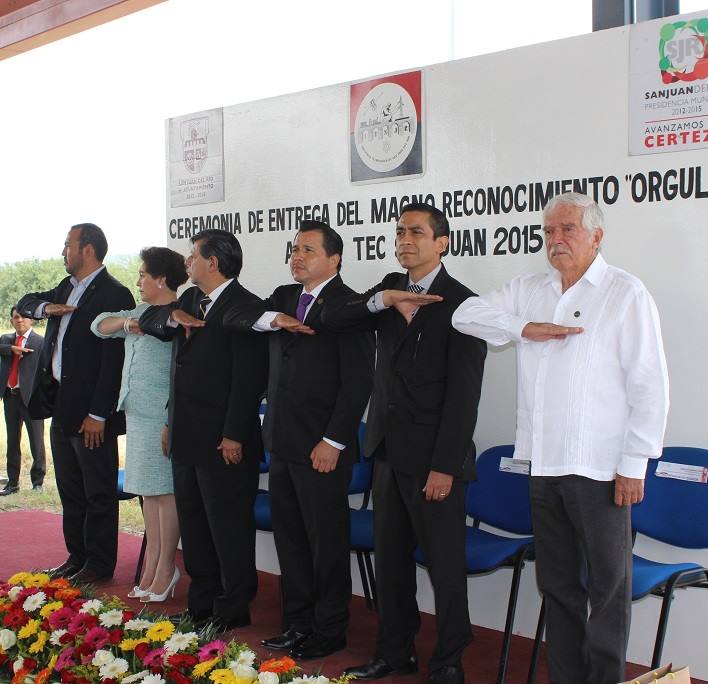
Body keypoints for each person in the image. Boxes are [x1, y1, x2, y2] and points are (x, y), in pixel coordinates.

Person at [452, 192, 669, 684]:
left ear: (597, 235)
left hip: (601, 470)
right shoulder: (530, 289)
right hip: (543, 465)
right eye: (549, 231)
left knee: (609, 591)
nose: (556, 240)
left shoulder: (624, 292)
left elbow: (650, 385)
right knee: (558, 586)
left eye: (567, 229)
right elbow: (463, 316)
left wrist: (635, 462)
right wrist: (522, 327)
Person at [323, 203, 486, 684]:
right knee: (391, 563)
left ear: (442, 243)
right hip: (388, 453)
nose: (405, 239)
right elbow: (335, 318)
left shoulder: (463, 303)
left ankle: (449, 660)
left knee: (445, 567)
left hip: (437, 460)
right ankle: (395, 652)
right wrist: (382, 301)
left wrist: (445, 465)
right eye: (399, 232)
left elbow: (464, 397)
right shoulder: (387, 291)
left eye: (417, 232)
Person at [221, 220, 375, 659]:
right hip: (283, 442)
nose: (297, 256)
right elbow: (236, 316)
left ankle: (330, 629)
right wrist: (275, 318)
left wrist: (335, 440)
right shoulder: (283, 298)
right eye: (294, 249)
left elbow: (358, 383)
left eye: (308, 249)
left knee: (325, 543)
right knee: (290, 541)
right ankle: (298, 623)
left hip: (323, 448)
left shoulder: (350, 306)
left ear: (334, 258)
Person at [139, 228, 268, 631]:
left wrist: (233, 433)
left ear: (212, 263)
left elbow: (250, 379)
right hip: (185, 433)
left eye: (192, 256)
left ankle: (233, 606)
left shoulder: (247, 306)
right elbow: (149, 318)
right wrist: (172, 314)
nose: (186, 263)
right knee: (194, 525)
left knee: (227, 526)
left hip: (224, 439)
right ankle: (202, 603)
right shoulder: (191, 299)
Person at [17, 223, 136, 583]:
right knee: (70, 488)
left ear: (87, 250)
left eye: (68, 245)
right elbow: (24, 303)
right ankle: (77, 557)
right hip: (61, 406)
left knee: (97, 490)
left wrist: (99, 414)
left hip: (91, 413)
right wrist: (46, 308)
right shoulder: (66, 287)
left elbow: (113, 363)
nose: (63, 251)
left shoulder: (115, 293)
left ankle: (99, 564)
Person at [91, 247, 188, 602]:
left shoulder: (177, 314)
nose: (138, 280)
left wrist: (169, 420)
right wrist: (132, 323)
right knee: (148, 492)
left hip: (160, 416)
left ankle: (166, 567)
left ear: (161, 279)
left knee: (165, 492)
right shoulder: (140, 313)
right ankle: (151, 565)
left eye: (144, 274)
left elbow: (183, 375)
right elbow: (98, 325)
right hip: (135, 413)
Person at [0, 307, 46, 495]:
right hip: (10, 396)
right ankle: (13, 482)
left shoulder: (40, 342)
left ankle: (38, 482)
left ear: (32, 320)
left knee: (36, 442)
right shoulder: (6, 340)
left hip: (32, 399)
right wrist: (12, 350)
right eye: (16, 317)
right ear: (12, 321)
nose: (20, 320)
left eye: (24, 317)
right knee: (12, 441)